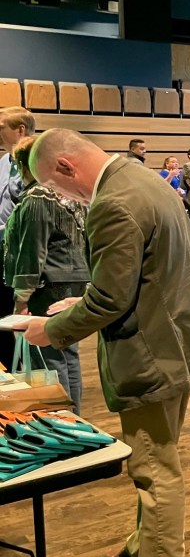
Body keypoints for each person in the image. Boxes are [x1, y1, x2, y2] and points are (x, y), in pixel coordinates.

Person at [21, 128, 190, 557]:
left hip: (156, 353)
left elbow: (112, 297)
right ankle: (143, 548)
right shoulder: (140, 176)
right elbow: (140, 274)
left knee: (154, 468)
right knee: (158, 457)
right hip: (180, 341)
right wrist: (84, 299)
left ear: (67, 166)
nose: (61, 195)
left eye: (55, 185)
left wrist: (49, 331)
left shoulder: (112, 203)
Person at [4, 136, 89, 414]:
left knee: (48, 356)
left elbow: (32, 250)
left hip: (49, 284)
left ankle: (63, 421)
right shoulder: (69, 195)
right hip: (72, 281)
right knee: (67, 353)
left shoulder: (38, 196)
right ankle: (74, 418)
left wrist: (21, 297)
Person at [0, 106, 36, 371]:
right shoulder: (3, 162)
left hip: (25, 252)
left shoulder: (37, 160)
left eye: (2, 127)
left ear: (20, 130)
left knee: (29, 325)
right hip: (1, 253)